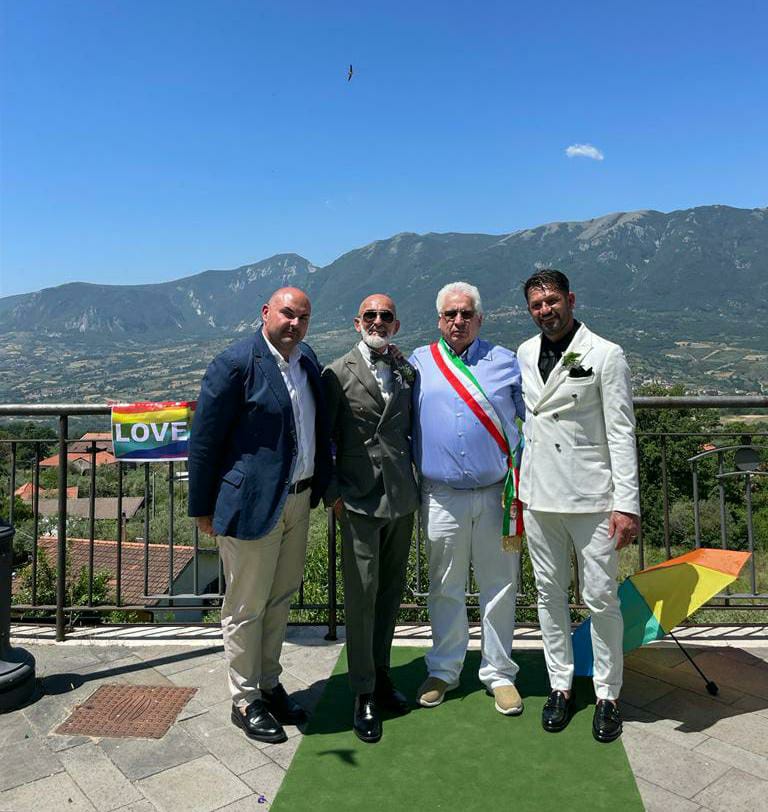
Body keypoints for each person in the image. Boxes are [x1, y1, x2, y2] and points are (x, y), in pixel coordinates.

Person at [188, 286, 331, 744]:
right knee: (246, 607)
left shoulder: (306, 358)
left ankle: (269, 683)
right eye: (288, 314)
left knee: (281, 597)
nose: (295, 323)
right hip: (251, 505)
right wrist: (202, 508)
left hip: (298, 500)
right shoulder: (235, 363)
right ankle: (245, 699)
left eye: (303, 317)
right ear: (266, 312)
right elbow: (205, 441)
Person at [517, 269, 640, 743]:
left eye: (551, 301)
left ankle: (608, 693)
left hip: (593, 498)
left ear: (570, 298)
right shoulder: (525, 353)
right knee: (548, 595)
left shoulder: (606, 354)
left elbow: (621, 431)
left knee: (600, 598)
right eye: (536, 305)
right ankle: (560, 686)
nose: (545, 310)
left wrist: (626, 505)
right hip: (539, 495)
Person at [409, 281, 526, 716]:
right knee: (444, 587)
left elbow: (531, 423)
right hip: (440, 495)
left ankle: (500, 674)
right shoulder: (419, 363)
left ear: (480, 318)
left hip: (498, 495)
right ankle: (443, 669)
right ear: (440, 319)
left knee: (500, 587)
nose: (458, 321)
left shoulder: (506, 362)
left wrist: (525, 478)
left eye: (466, 314)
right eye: (450, 314)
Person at [322, 294, 419, 743]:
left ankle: (382, 675)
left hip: (401, 498)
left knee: (389, 593)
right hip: (357, 500)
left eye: (385, 316)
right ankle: (361, 691)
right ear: (356, 322)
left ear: (395, 325)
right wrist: (333, 494)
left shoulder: (407, 370)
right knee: (360, 598)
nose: (378, 321)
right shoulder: (336, 373)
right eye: (370, 315)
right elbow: (323, 438)